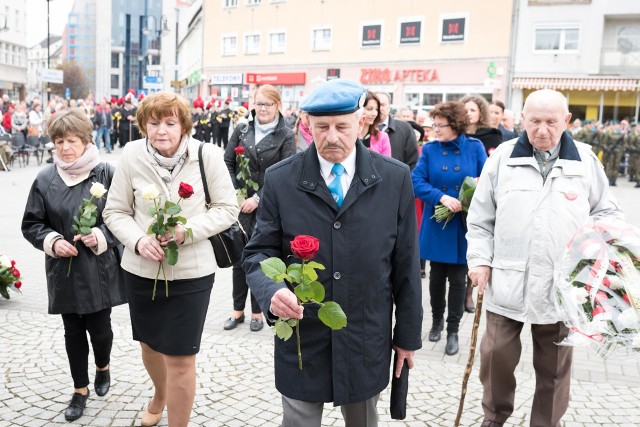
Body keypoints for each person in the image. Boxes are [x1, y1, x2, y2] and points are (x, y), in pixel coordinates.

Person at [243, 79, 423, 427]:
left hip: (365, 332)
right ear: (307, 126)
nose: (332, 137)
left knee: (363, 420)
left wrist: (407, 337)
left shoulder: (394, 179)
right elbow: (259, 251)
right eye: (321, 127)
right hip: (302, 332)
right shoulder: (281, 179)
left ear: (361, 122)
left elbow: (406, 264)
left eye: (342, 126)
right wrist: (272, 290)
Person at [466, 89, 623, 427]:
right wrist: (479, 260)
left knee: (554, 367)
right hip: (507, 278)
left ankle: (545, 422)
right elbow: (480, 218)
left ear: (566, 121)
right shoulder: (502, 159)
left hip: (561, 285)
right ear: (523, 119)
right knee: (495, 357)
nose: (542, 129)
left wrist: (594, 260)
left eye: (551, 122)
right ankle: (494, 416)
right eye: (535, 121)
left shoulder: (584, 161)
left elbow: (607, 212)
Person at [102, 92, 239, 427]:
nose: (161, 130)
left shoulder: (207, 155)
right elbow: (115, 210)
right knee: (149, 346)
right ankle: (159, 395)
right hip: (141, 270)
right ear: (144, 125)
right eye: (154, 123)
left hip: (191, 273)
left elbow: (227, 208)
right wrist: (137, 240)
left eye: (169, 122)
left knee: (180, 357)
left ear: (183, 125)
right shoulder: (131, 154)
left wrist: (186, 231)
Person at [21, 108, 126, 422]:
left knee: (100, 328)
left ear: (86, 141)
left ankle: (103, 367)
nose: (65, 148)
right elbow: (32, 223)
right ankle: (80, 390)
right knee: (72, 331)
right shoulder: (45, 178)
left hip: (99, 267)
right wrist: (52, 241)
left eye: (71, 140)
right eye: (59, 141)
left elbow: (123, 217)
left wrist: (101, 235)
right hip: (62, 270)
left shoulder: (106, 173)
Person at [412, 101, 486, 356]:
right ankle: (436, 322)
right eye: (433, 124)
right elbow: (416, 180)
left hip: (462, 224)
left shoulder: (474, 148)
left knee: (457, 280)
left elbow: (485, 181)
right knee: (435, 278)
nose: (434, 130)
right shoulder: (431, 150)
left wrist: (469, 194)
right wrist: (440, 197)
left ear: (455, 125)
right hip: (438, 221)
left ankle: (453, 330)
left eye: (439, 125)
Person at [223, 84, 296, 332]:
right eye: (259, 103)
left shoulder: (285, 134)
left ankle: (257, 311)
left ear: (277, 106)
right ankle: (237, 310)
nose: (262, 108)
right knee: (238, 258)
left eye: (268, 104)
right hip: (240, 206)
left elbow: (287, 171)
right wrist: (237, 193)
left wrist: (257, 198)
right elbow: (228, 161)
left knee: (261, 259)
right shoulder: (242, 129)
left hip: (268, 206)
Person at [461, 94, 502, 313]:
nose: (469, 113)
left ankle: (469, 293)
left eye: (473, 110)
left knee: (474, 249)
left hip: (477, 200)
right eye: (465, 109)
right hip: (454, 202)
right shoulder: (454, 134)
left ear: (480, 114)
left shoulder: (490, 137)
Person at [376, 92, 419, 168]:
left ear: (389, 107)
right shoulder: (361, 129)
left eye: (382, 105)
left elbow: (413, 160)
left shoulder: (405, 128)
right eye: (376, 105)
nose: (379, 108)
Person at [357, 92, 391, 157]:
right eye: (369, 109)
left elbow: (387, 164)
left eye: (376, 109)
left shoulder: (382, 137)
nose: (374, 113)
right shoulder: (349, 135)